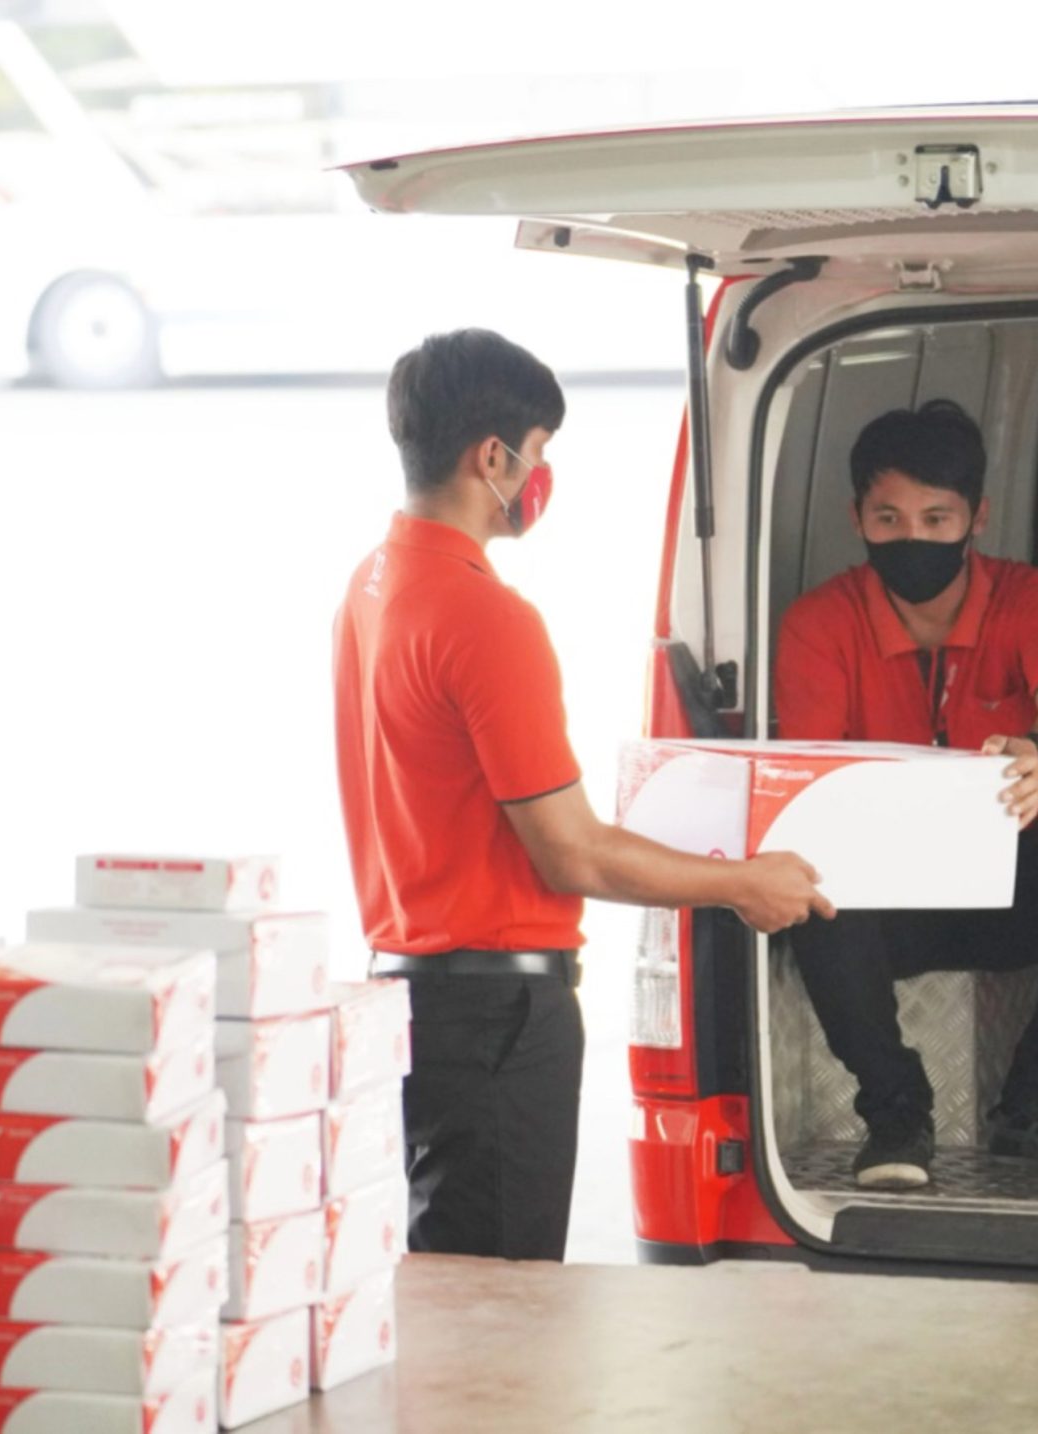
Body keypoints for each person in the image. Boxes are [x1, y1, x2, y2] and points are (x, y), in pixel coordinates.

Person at [333, 328, 831, 1260]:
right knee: (502, 1301)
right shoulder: (485, 615)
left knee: (456, 1277)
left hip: (415, 998)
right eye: (538, 451)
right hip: (497, 1017)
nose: (540, 474)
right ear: (493, 458)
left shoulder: (373, 584)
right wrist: (742, 882)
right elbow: (572, 851)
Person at [775, 398, 1038, 1190]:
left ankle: (1037, 1098)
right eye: (888, 518)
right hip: (882, 899)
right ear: (857, 518)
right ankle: (894, 1109)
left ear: (976, 517)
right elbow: (811, 781)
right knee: (807, 887)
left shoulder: (1034, 601)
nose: (912, 538)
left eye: (936, 517)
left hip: (1008, 882)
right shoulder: (818, 624)